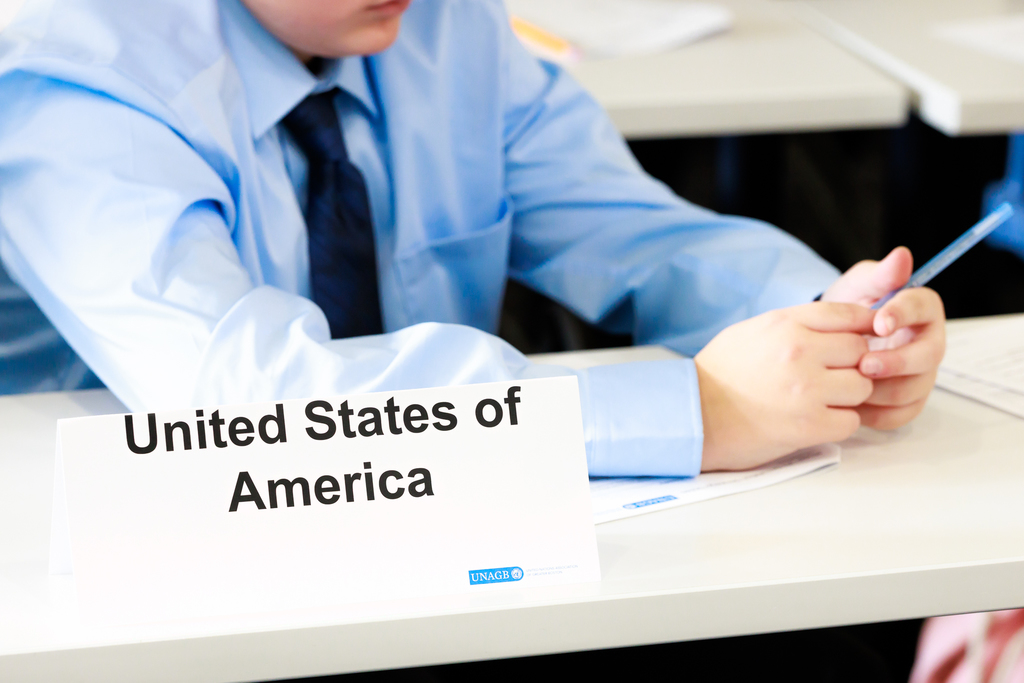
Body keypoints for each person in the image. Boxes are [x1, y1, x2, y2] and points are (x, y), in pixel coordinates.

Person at [0, 0, 945, 476]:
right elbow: (251, 405)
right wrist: (701, 408)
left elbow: (636, 232)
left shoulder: (438, 27)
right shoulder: (69, 76)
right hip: (154, 563)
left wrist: (829, 322)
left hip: (450, 526)